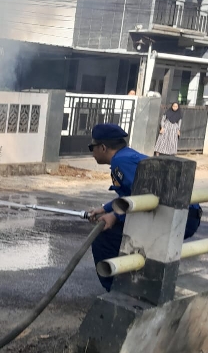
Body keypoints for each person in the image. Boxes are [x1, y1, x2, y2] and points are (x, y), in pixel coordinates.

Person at [87, 123, 202, 291]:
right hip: (181, 213)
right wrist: (106, 209)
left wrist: (114, 216)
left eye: (92, 147)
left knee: (105, 239)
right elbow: (133, 194)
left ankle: (119, 291)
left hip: (176, 216)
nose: (92, 152)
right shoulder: (126, 157)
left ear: (103, 147)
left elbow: (144, 196)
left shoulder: (121, 161)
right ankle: (138, 285)